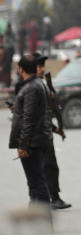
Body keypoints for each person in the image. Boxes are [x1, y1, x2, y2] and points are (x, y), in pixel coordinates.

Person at [9, 55, 53, 203]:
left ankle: (43, 219)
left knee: (37, 183)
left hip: (33, 143)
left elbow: (29, 119)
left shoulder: (31, 88)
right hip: (36, 139)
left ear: (21, 69)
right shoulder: (37, 84)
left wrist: (23, 145)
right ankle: (37, 217)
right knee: (34, 183)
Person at [34, 53, 71, 209]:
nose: (42, 69)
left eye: (43, 66)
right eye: (39, 66)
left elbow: (53, 110)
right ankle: (50, 199)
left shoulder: (43, 84)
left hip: (45, 134)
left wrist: (57, 129)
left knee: (50, 168)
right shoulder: (32, 87)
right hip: (38, 136)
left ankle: (50, 197)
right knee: (47, 168)